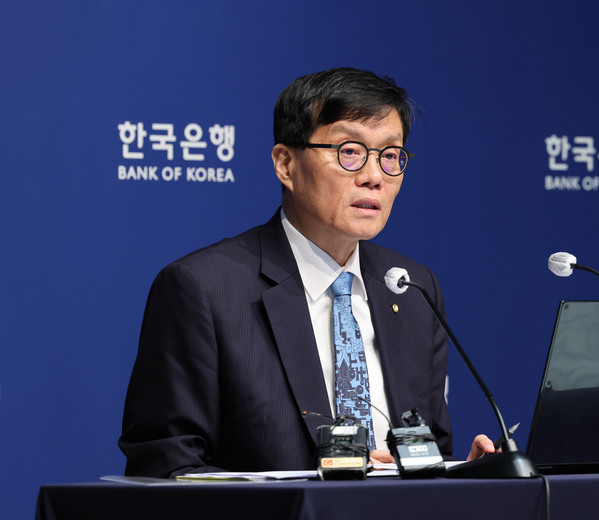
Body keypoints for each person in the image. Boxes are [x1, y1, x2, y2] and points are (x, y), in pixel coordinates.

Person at [119, 67, 494, 477]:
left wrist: (456, 475)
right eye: (349, 151)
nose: (374, 177)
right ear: (286, 164)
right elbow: (167, 467)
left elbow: (428, 450)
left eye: (390, 156)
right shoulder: (204, 289)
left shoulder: (413, 289)